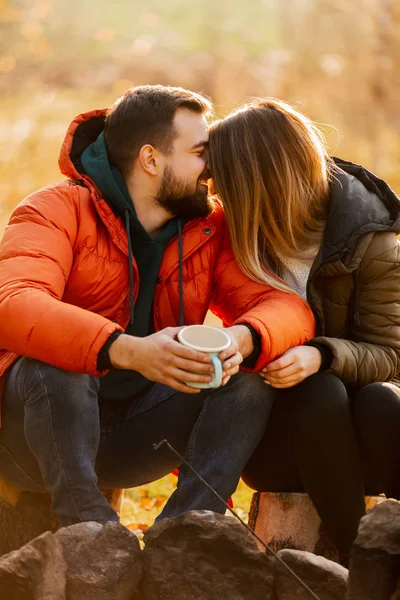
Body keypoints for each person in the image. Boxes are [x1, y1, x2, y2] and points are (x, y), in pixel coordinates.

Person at [0, 86, 315, 527]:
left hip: (132, 440)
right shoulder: (55, 208)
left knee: (243, 376)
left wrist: (240, 340)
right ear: (151, 160)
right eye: (201, 152)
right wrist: (130, 351)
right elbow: (12, 304)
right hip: (28, 443)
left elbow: (283, 305)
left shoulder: (207, 227)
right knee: (54, 364)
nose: (213, 168)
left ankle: (189, 529)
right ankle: (90, 529)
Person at [208, 98, 400, 565]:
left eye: (223, 183)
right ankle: (365, 567)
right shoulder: (235, 238)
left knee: (376, 397)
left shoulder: (371, 240)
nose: (215, 195)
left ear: (258, 181)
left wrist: (322, 354)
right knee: (318, 393)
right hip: (283, 442)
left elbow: (393, 356)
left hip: (369, 440)